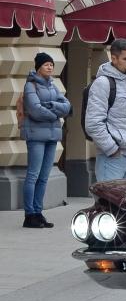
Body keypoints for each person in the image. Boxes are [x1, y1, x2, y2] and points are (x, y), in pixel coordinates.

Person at [21, 52, 70, 228]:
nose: (50, 67)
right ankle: (29, 215)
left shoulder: (53, 85)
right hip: (36, 136)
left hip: (51, 136)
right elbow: (35, 110)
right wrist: (54, 114)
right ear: (38, 67)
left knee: (44, 177)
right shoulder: (30, 85)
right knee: (33, 175)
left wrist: (51, 106)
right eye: (46, 64)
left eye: (51, 64)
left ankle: (38, 212)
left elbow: (67, 106)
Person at [85, 38, 126, 182]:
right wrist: (112, 149)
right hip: (113, 158)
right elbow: (93, 123)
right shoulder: (103, 83)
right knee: (109, 197)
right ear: (114, 59)